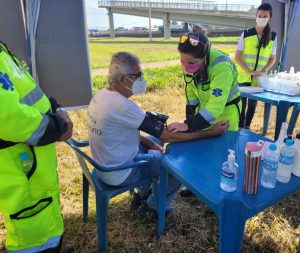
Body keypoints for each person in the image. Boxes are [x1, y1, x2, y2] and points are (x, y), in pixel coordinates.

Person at [87, 52, 229, 215]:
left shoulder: (101, 95)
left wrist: (153, 143)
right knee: (175, 169)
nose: (141, 79)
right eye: (137, 75)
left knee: (153, 141)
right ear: (122, 79)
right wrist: (210, 132)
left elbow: (121, 133)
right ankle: (153, 206)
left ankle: (142, 194)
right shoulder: (122, 106)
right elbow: (168, 137)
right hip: (121, 172)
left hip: (106, 164)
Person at [0, 41, 74, 253]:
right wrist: (56, 126)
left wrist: (54, 107)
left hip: (32, 162)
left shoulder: (2, 50)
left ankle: (52, 246)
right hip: (19, 165)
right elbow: (8, 118)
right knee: (29, 220)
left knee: (43, 208)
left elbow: (28, 91)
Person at [166, 32, 241, 197]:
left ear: (205, 56)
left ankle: (219, 194)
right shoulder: (190, 63)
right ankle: (198, 187)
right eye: (182, 61)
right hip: (204, 112)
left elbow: (216, 106)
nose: (186, 66)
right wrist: (189, 121)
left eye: (191, 62)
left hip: (227, 113)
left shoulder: (221, 66)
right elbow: (191, 95)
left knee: (223, 155)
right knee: (201, 151)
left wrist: (189, 125)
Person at [234, 3, 277, 130]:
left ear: (270, 17)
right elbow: (237, 56)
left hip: (258, 79)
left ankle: (247, 127)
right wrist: (249, 71)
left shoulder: (272, 36)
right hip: (243, 76)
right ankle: (240, 127)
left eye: (265, 16)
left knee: (253, 104)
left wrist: (264, 70)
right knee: (241, 104)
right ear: (256, 16)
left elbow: (272, 58)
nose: (262, 18)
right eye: (260, 16)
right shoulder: (246, 34)